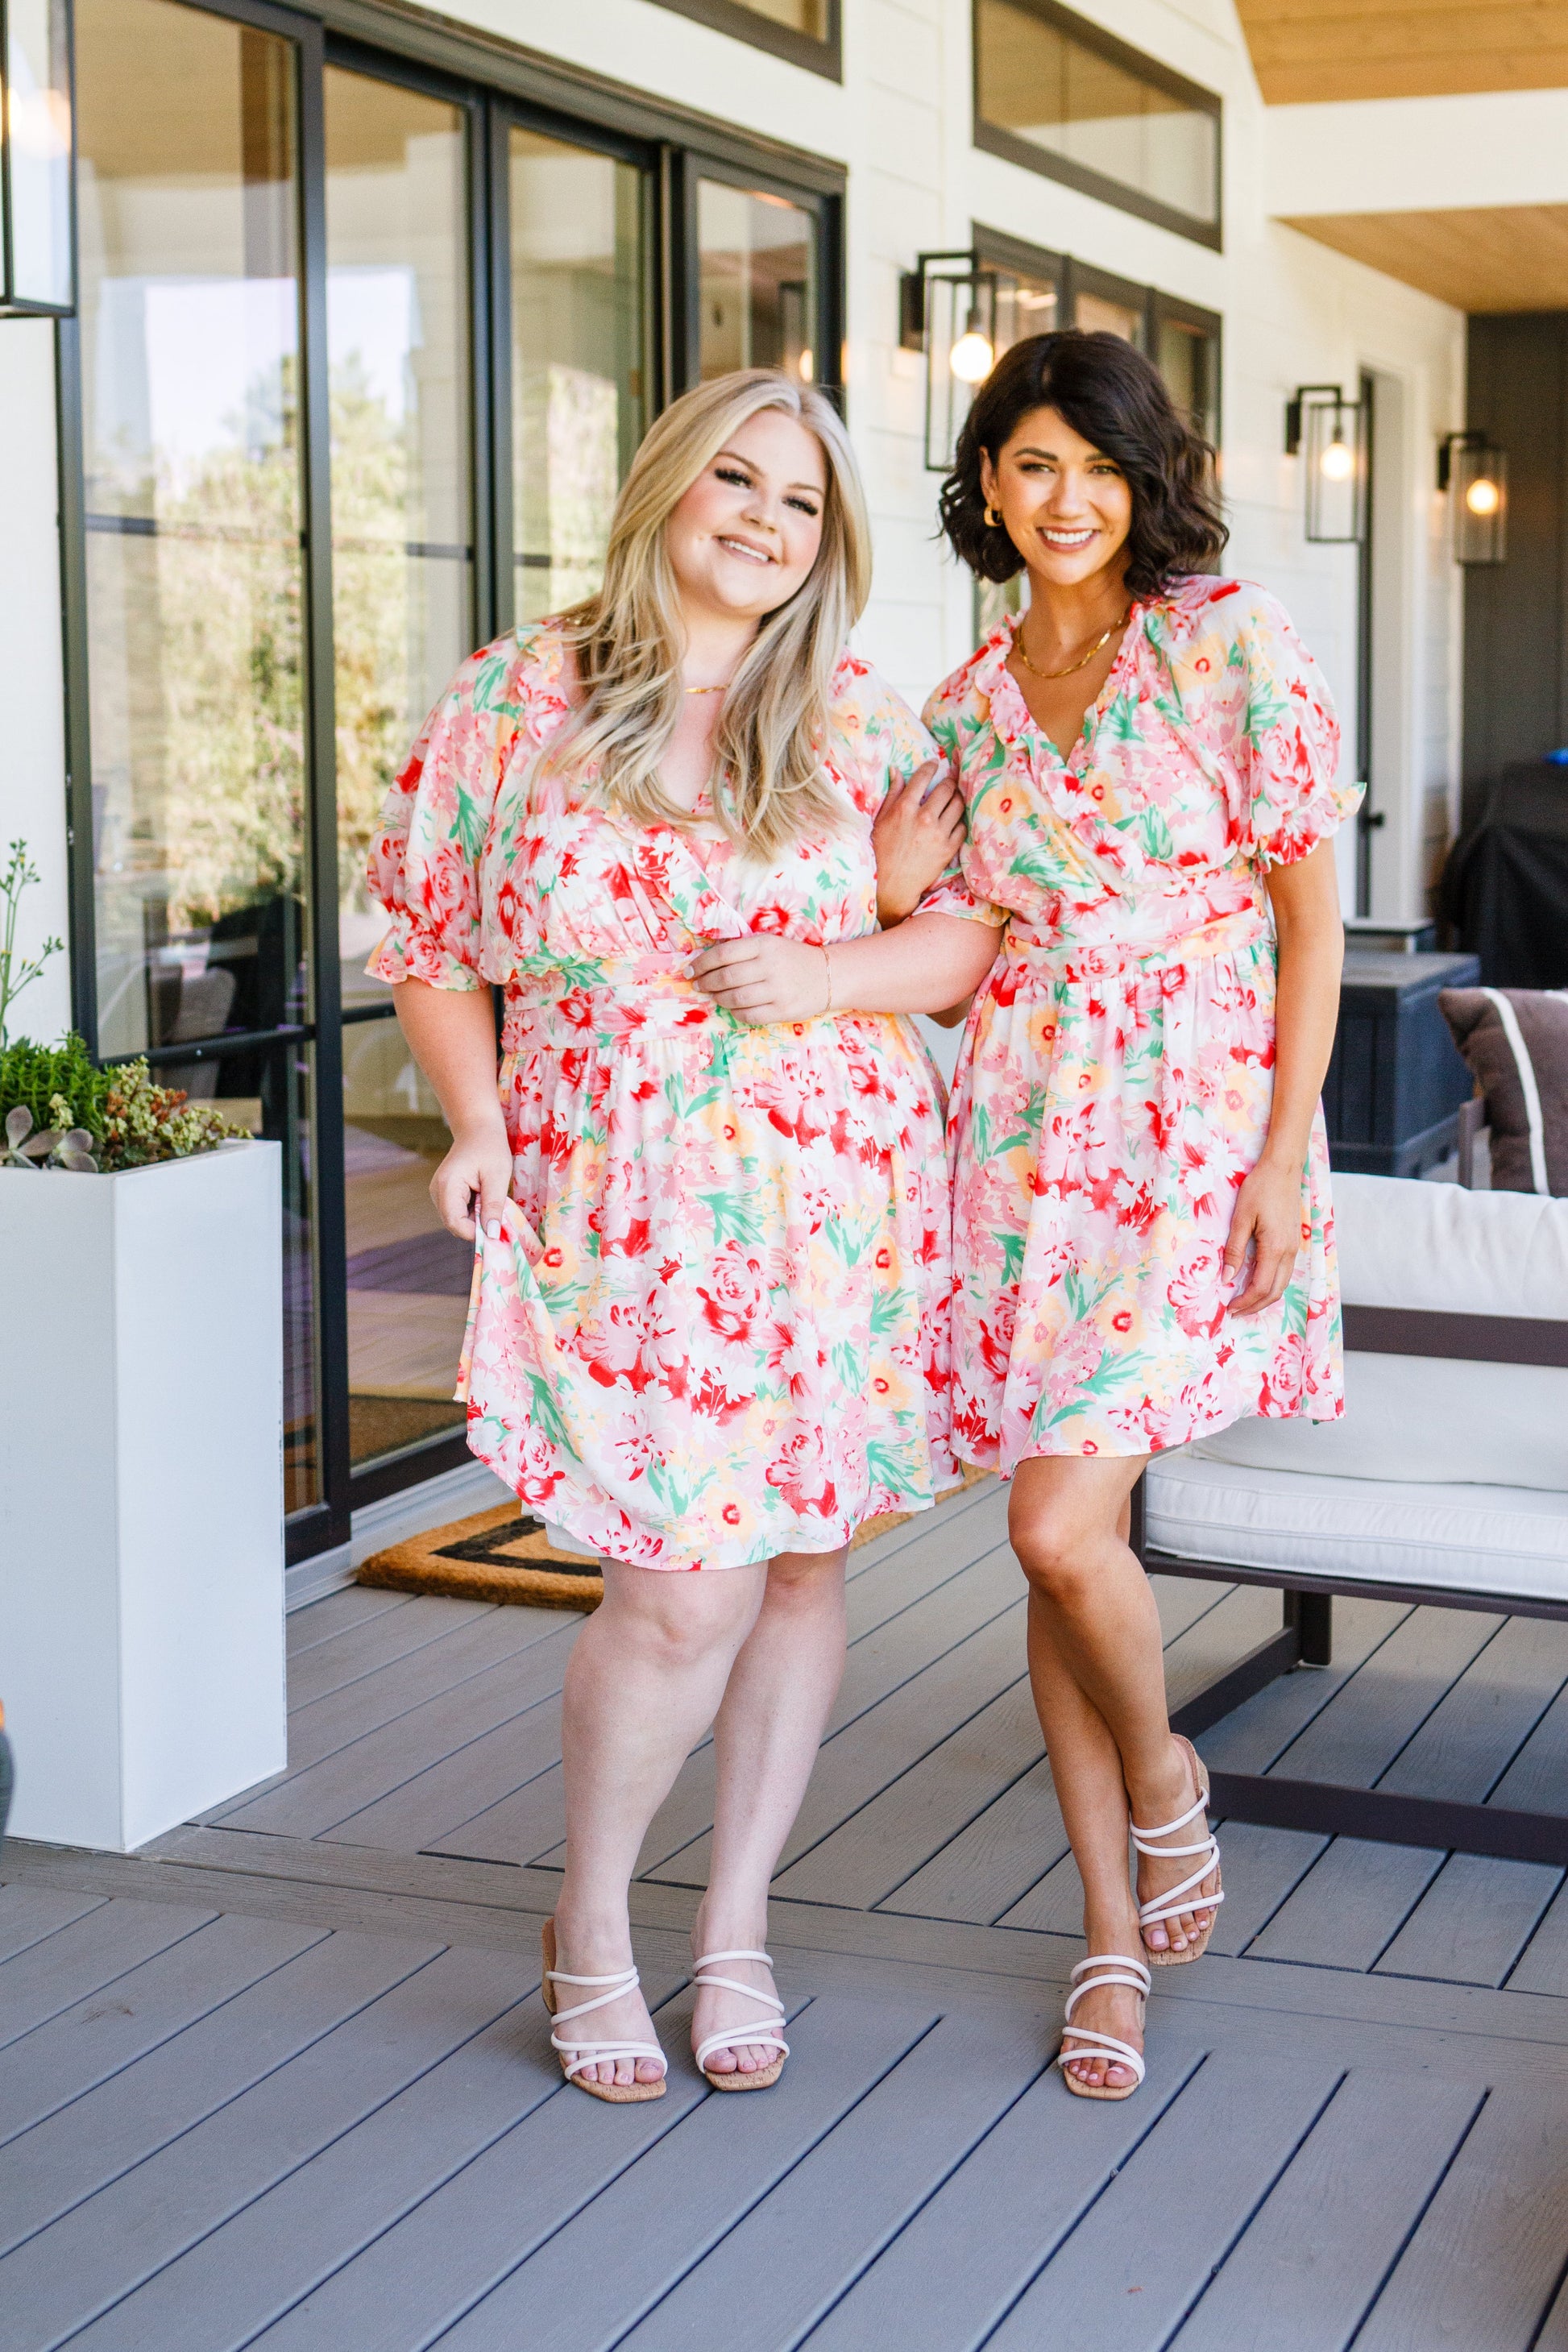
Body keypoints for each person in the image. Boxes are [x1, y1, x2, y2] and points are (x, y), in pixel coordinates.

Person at [369, 369, 1002, 2104]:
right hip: (619, 1195)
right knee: (674, 1587)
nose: (763, 521)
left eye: (801, 502)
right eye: (737, 479)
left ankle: (733, 1926)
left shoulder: (857, 719)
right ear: (665, 486)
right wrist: (478, 1120)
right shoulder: (520, 693)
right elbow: (430, 937)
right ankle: (589, 1919)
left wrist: (839, 959)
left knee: (799, 1560)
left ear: (828, 542)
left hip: (834, 1200)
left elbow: (965, 947)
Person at [911, 330, 1358, 2101]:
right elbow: (953, 955)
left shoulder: (1228, 641)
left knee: (1050, 1520)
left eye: (1098, 467)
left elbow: (1310, 920)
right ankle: (1110, 1930)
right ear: (989, 482)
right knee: (1060, 1533)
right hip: (1022, 1144)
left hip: (1191, 1132)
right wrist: (890, 886)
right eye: (1033, 464)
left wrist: (1278, 1156)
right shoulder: (964, 704)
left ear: (1145, 478)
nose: (1067, 499)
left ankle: (1165, 1777)